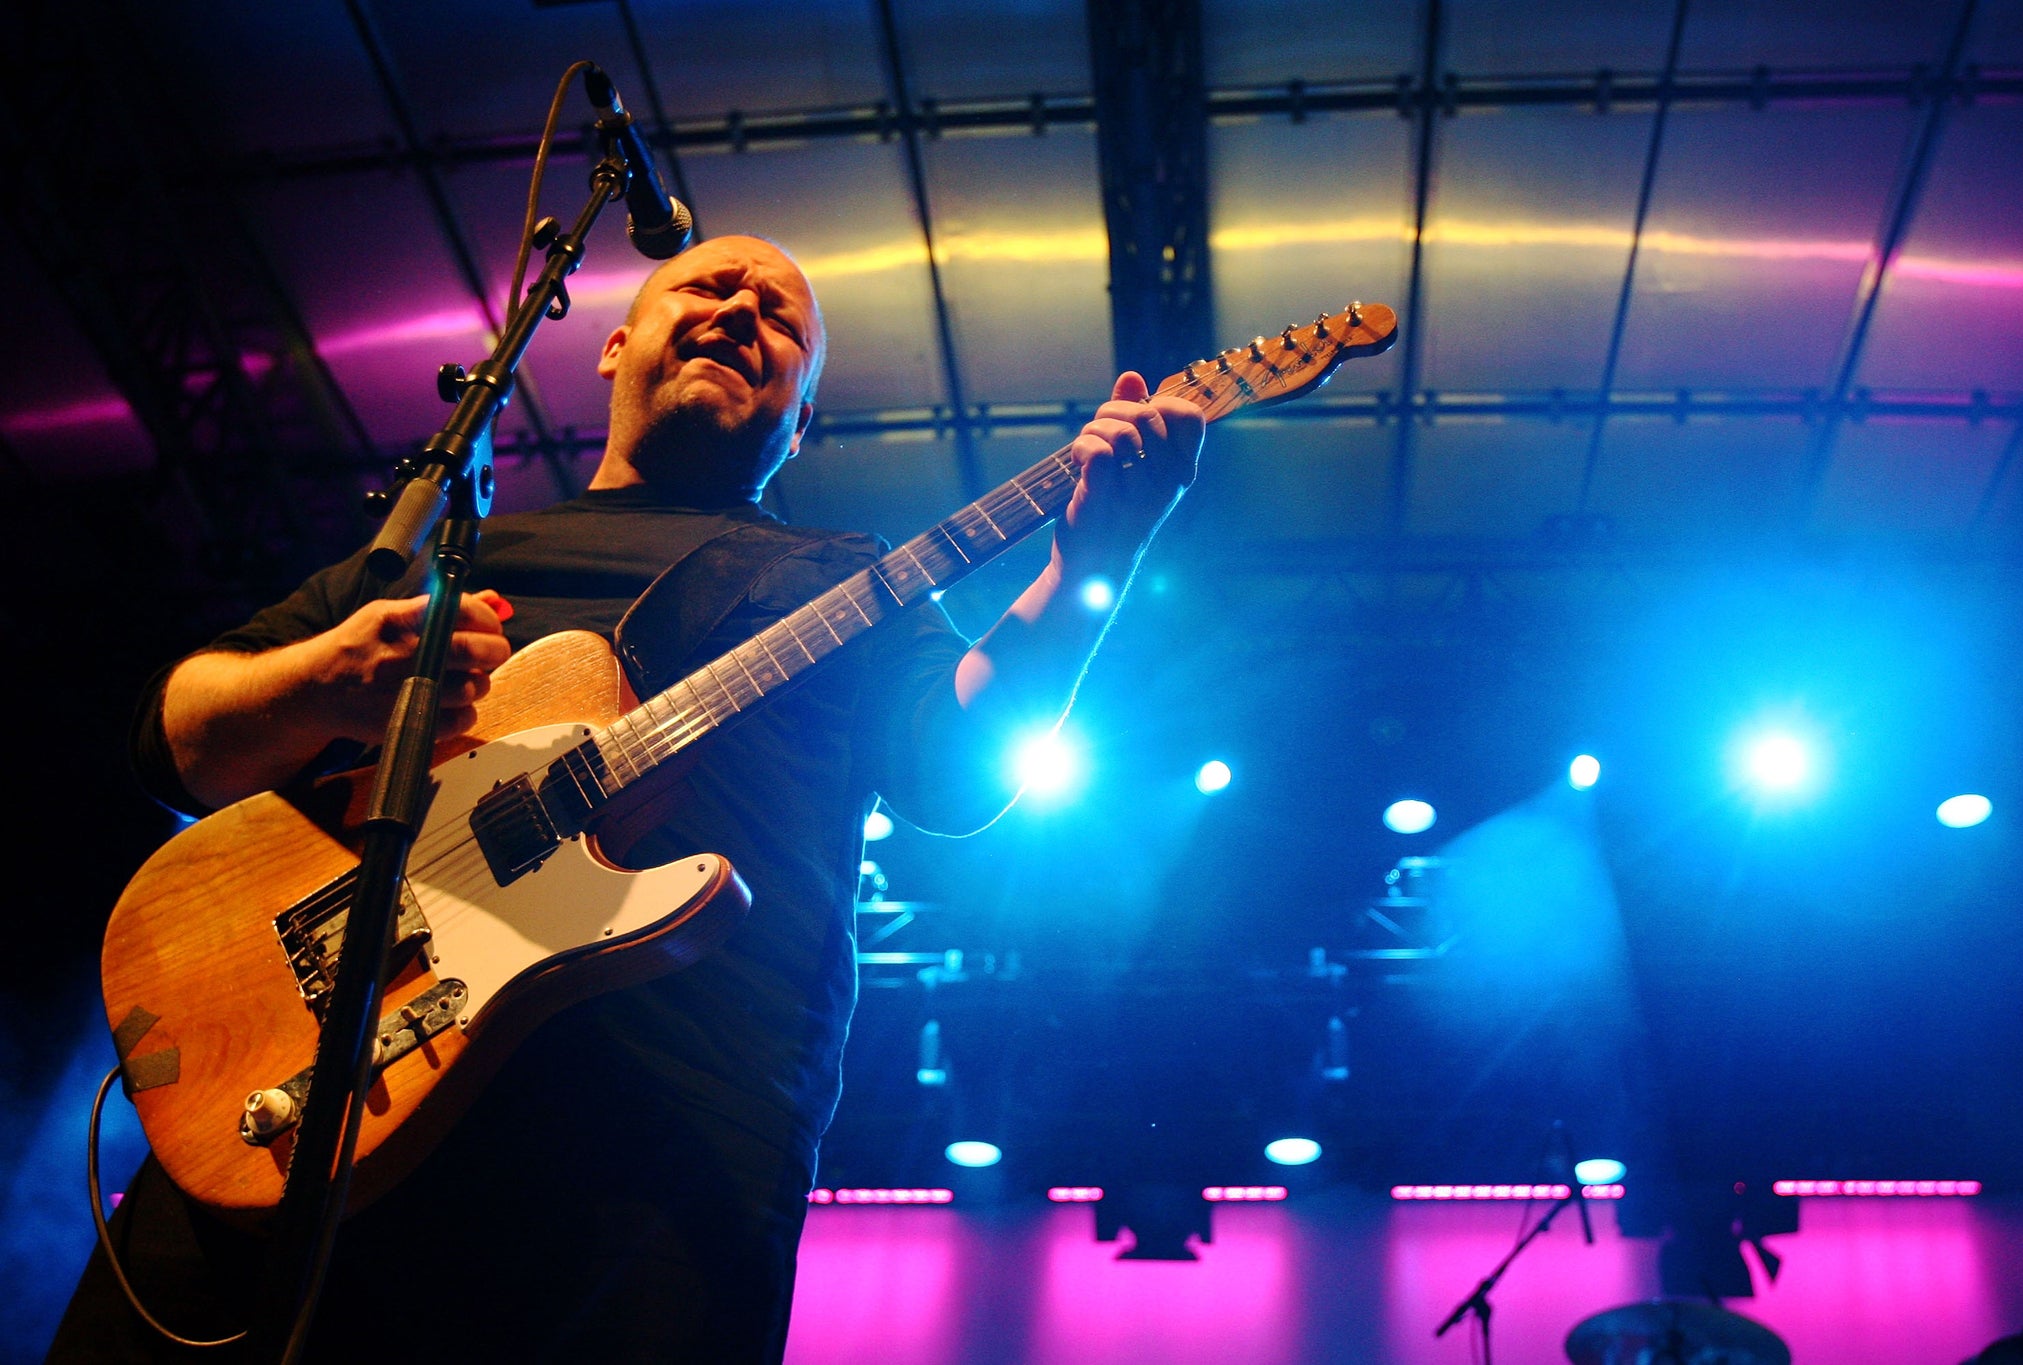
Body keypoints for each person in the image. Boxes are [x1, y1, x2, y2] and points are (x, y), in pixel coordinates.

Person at [49, 234, 1202, 1363]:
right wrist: (321, 678)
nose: (743, 309)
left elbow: (952, 774)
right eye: (708, 284)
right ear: (611, 347)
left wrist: (1087, 562)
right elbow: (175, 743)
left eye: (782, 319)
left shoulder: (845, 576)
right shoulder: (453, 555)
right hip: (301, 1103)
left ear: (803, 420)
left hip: (662, 1148)